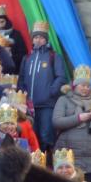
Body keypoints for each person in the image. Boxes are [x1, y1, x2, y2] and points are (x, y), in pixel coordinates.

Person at [17, 21, 66, 150]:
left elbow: (61, 77)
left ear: (46, 39)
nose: (38, 40)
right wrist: (22, 94)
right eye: (36, 37)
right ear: (32, 39)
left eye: (41, 37)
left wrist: (51, 92)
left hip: (46, 105)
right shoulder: (27, 58)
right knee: (32, 136)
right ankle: (34, 161)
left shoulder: (54, 56)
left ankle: (48, 160)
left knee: (46, 136)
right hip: (29, 106)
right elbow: (21, 78)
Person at [52, 64, 91, 182]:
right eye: (82, 85)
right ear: (75, 85)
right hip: (69, 155)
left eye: (88, 86)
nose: (85, 88)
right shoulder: (64, 100)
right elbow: (56, 122)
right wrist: (79, 118)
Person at [0, 3, 28, 69]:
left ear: (6, 21)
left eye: (2, 22)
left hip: (13, 70)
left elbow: (24, 54)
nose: (0, 25)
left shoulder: (16, 34)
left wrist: (10, 55)